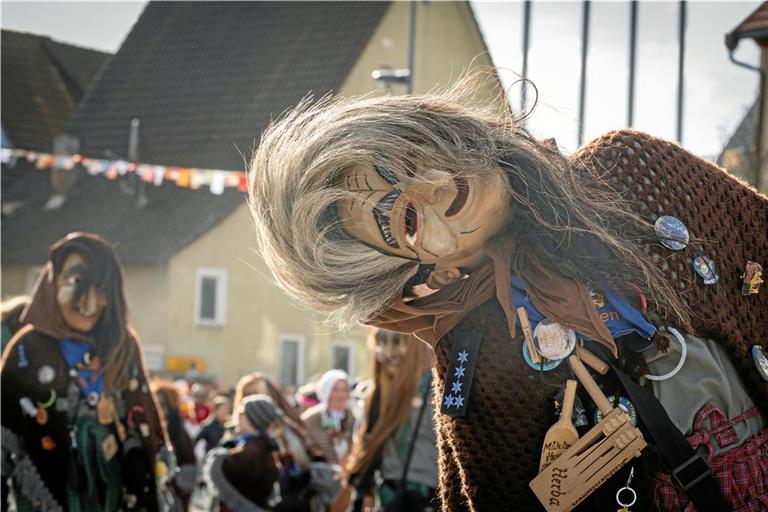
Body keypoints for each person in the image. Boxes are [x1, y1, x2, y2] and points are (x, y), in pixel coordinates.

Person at [248, 74, 768, 510]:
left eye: (409, 160)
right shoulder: (472, 347)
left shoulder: (632, 169)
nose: (434, 186)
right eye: (406, 219)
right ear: (423, 269)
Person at [1, 232, 173, 511]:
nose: (90, 304)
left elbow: (144, 424)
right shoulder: (26, 350)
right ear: (52, 282)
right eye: (77, 282)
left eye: (102, 288)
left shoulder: (122, 345)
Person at [345, 329, 438, 512]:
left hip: (427, 495)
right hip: (391, 495)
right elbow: (367, 446)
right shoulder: (374, 398)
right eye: (382, 342)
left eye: (397, 341)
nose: (388, 352)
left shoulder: (432, 392)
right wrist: (366, 493)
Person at [301, 369, 355, 466]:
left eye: (344, 390)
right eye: (336, 390)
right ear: (327, 391)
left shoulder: (354, 418)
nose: (341, 395)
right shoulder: (311, 419)